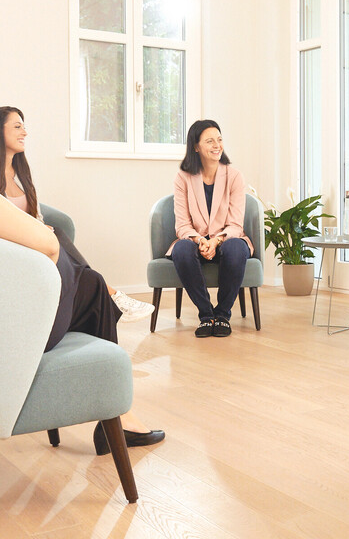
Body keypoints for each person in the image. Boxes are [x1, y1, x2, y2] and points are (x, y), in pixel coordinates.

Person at [0, 194, 165, 456]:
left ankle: (120, 417)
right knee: (83, 273)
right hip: (17, 332)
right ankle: (119, 417)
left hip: (13, 315)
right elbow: (49, 246)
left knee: (90, 281)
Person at [1, 106, 154, 323]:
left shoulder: (21, 173)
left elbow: (36, 215)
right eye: (17, 127)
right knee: (61, 239)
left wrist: (41, 228)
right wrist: (38, 231)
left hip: (36, 242)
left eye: (24, 127)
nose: (24, 133)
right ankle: (113, 296)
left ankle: (110, 298)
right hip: (13, 247)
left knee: (60, 237)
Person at [167, 119, 253, 338]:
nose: (217, 145)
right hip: (196, 241)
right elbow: (182, 224)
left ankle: (222, 315)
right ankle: (207, 316)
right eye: (210, 141)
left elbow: (235, 224)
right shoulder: (183, 177)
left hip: (227, 239)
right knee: (181, 250)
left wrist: (216, 240)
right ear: (196, 147)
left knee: (236, 248)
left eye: (219, 139)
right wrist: (200, 240)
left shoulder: (234, 176)